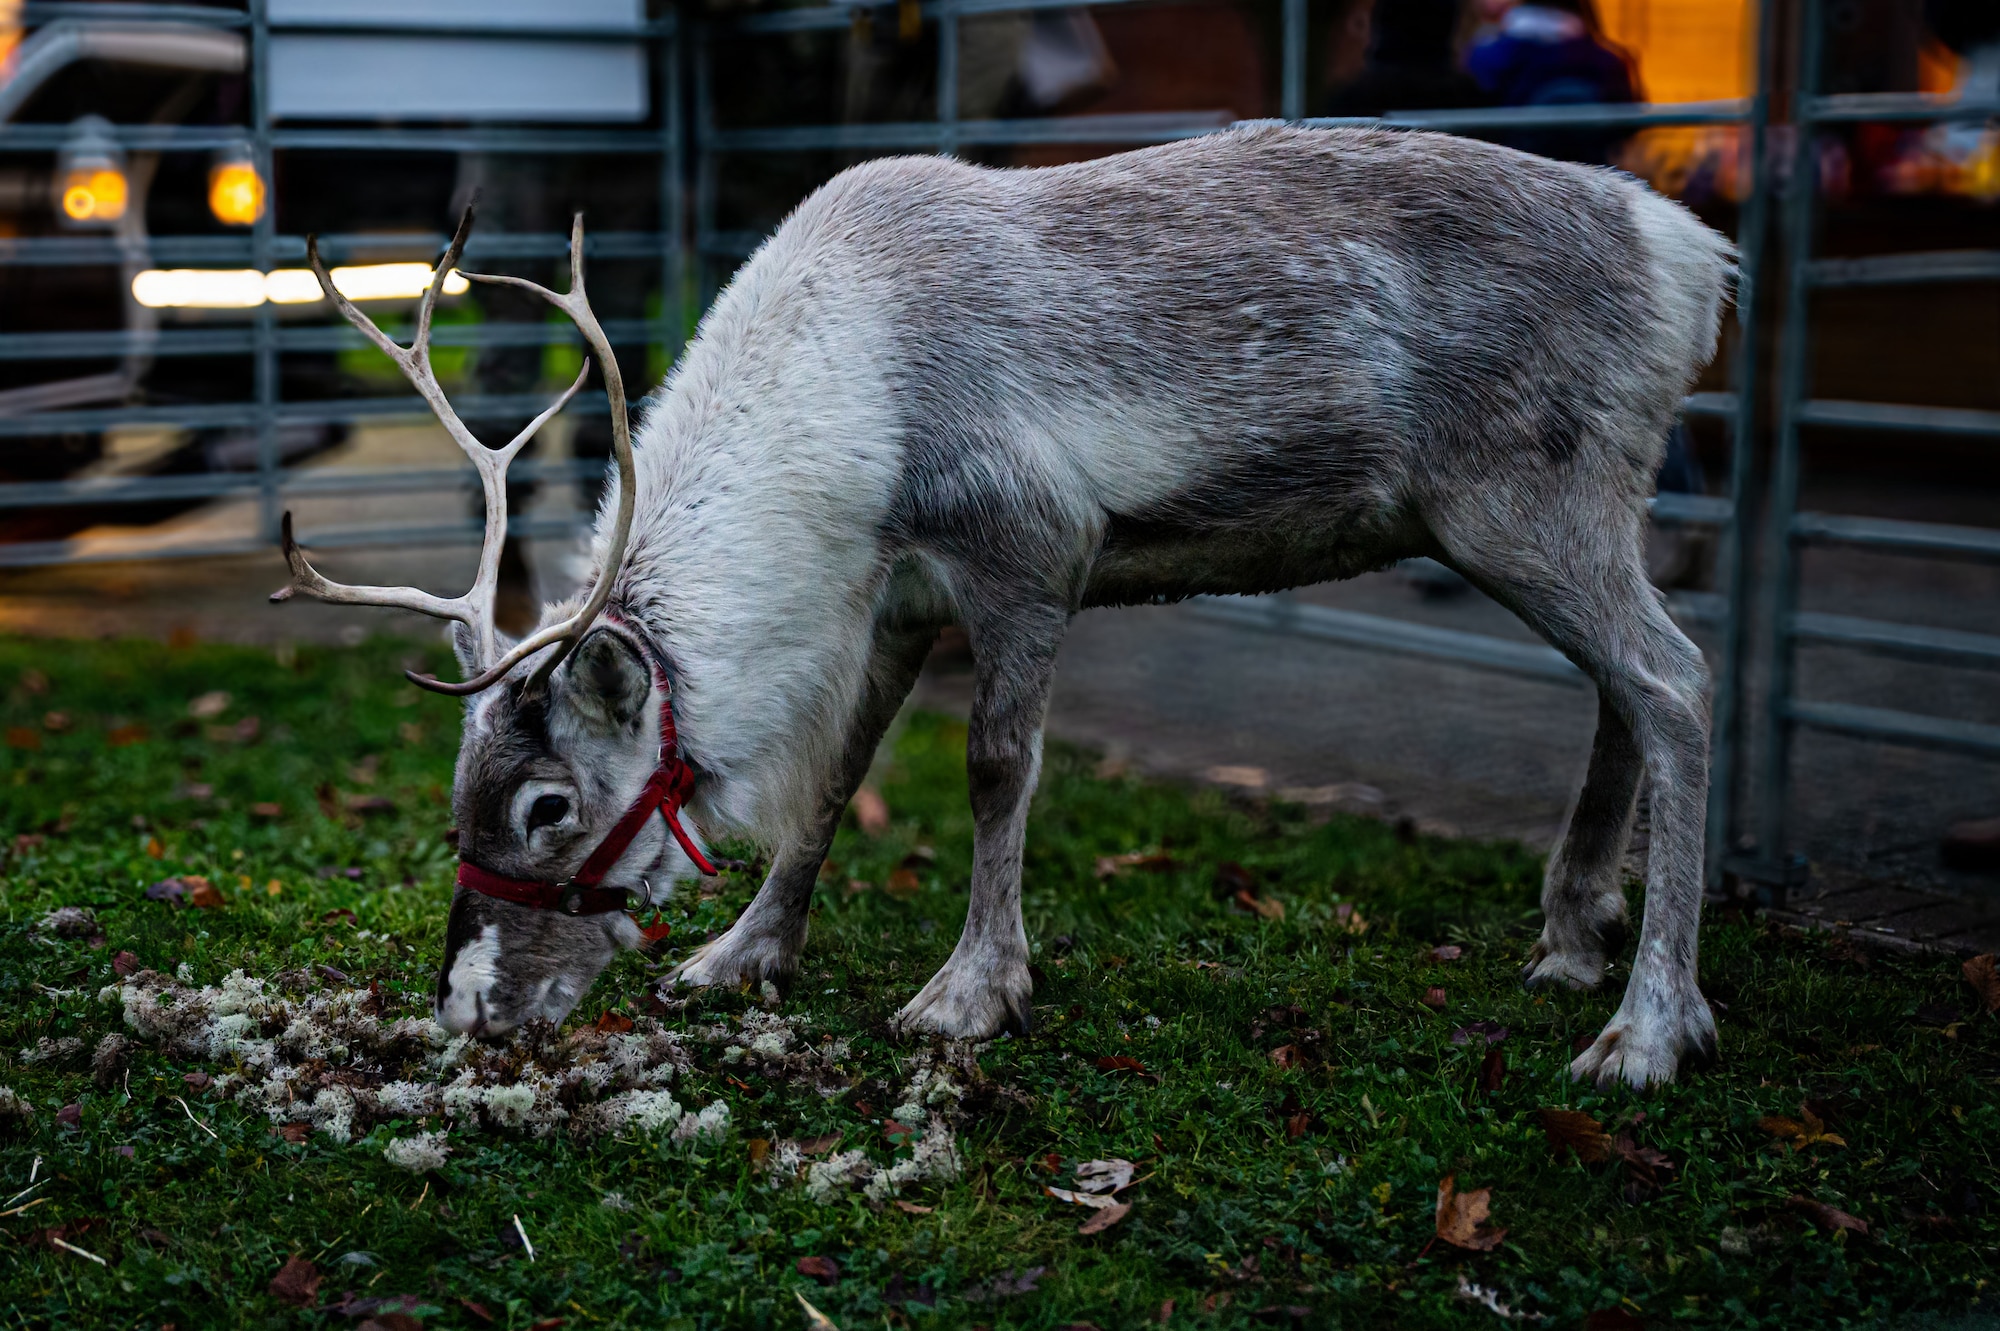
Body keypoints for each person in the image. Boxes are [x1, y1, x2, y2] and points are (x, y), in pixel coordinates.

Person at [1464, 0, 1639, 163]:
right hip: (1592, 167)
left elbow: (1478, 89)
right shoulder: (1602, 56)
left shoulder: (1498, 50)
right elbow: (1627, 118)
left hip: (1521, 163)